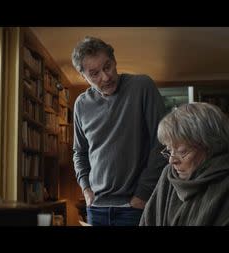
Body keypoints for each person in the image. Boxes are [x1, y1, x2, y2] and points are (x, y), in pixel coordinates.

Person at [71, 36, 167, 226]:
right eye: (95, 73)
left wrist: (142, 195)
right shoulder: (81, 104)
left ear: (115, 61)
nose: (106, 77)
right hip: (96, 207)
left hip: (134, 206)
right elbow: (79, 152)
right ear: (84, 77)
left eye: (107, 67)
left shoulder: (142, 87)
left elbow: (163, 143)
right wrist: (86, 189)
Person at [139, 102, 229, 226]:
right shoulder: (169, 175)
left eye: (182, 151)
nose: (172, 160)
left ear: (211, 146)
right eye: (169, 150)